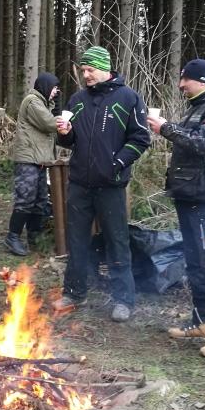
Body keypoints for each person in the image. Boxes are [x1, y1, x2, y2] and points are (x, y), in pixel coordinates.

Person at [147, 58, 205, 358]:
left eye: (185, 79)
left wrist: (166, 128)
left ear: (201, 80)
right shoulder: (198, 107)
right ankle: (204, 321)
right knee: (195, 262)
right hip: (189, 196)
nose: (180, 85)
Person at [55, 46, 150, 322]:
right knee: (76, 240)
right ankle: (74, 292)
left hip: (111, 184)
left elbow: (140, 139)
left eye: (90, 69)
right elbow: (69, 141)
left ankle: (123, 299)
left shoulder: (128, 98)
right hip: (79, 184)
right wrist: (64, 133)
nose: (85, 75)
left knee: (116, 241)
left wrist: (117, 163)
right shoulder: (77, 100)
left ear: (105, 68)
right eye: (83, 70)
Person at [5, 72, 61, 256]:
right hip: (28, 159)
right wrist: (64, 120)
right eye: (54, 88)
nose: (56, 91)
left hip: (40, 159)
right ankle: (13, 237)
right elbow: (49, 123)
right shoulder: (32, 102)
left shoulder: (43, 103)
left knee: (40, 200)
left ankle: (34, 236)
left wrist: (56, 105)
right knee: (26, 199)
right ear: (45, 86)